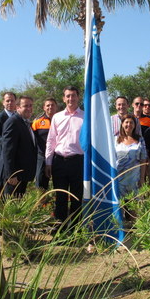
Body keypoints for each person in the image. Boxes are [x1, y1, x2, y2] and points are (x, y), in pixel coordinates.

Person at [45, 86, 84, 225]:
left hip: (77, 162)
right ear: (63, 98)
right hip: (59, 162)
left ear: (78, 97)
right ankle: (60, 231)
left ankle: (75, 231)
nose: (70, 98)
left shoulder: (85, 117)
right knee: (60, 197)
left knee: (77, 198)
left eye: (73, 95)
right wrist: (48, 162)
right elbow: (51, 140)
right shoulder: (57, 117)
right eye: (68, 96)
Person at [0, 96, 38, 196]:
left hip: (22, 175)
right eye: (25, 106)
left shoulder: (25, 123)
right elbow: (8, 151)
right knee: (11, 207)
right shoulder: (13, 122)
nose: (29, 108)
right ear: (18, 107)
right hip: (14, 178)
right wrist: (11, 175)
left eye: (30, 106)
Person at [115, 114, 147, 198]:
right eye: (126, 122)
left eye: (131, 123)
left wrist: (142, 178)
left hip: (134, 180)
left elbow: (143, 160)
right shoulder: (115, 140)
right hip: (119, 180)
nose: (129, 125)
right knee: (120, 207)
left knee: (134, 208)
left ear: (135, 125)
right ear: (122, 124)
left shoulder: (140, 139)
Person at [0, 91, 17, 193]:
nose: (10, 103)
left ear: (16, 102)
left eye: (12, 100)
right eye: (7, 101)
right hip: (1, 157)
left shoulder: (19, 118)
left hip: (15, 159)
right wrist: (8, 142)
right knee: (1, 189)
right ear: (3, 102)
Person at [32, 97, 58, 190]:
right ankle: (41, 203)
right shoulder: (37, 122)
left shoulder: (61, 120)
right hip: (42, 156)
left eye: (52, 105)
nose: (50, 107)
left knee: (59, 183)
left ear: (56, 107)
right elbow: (31, 139)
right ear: (44, 107)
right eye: (48, 105)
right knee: (41, 184)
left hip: (58, 157)